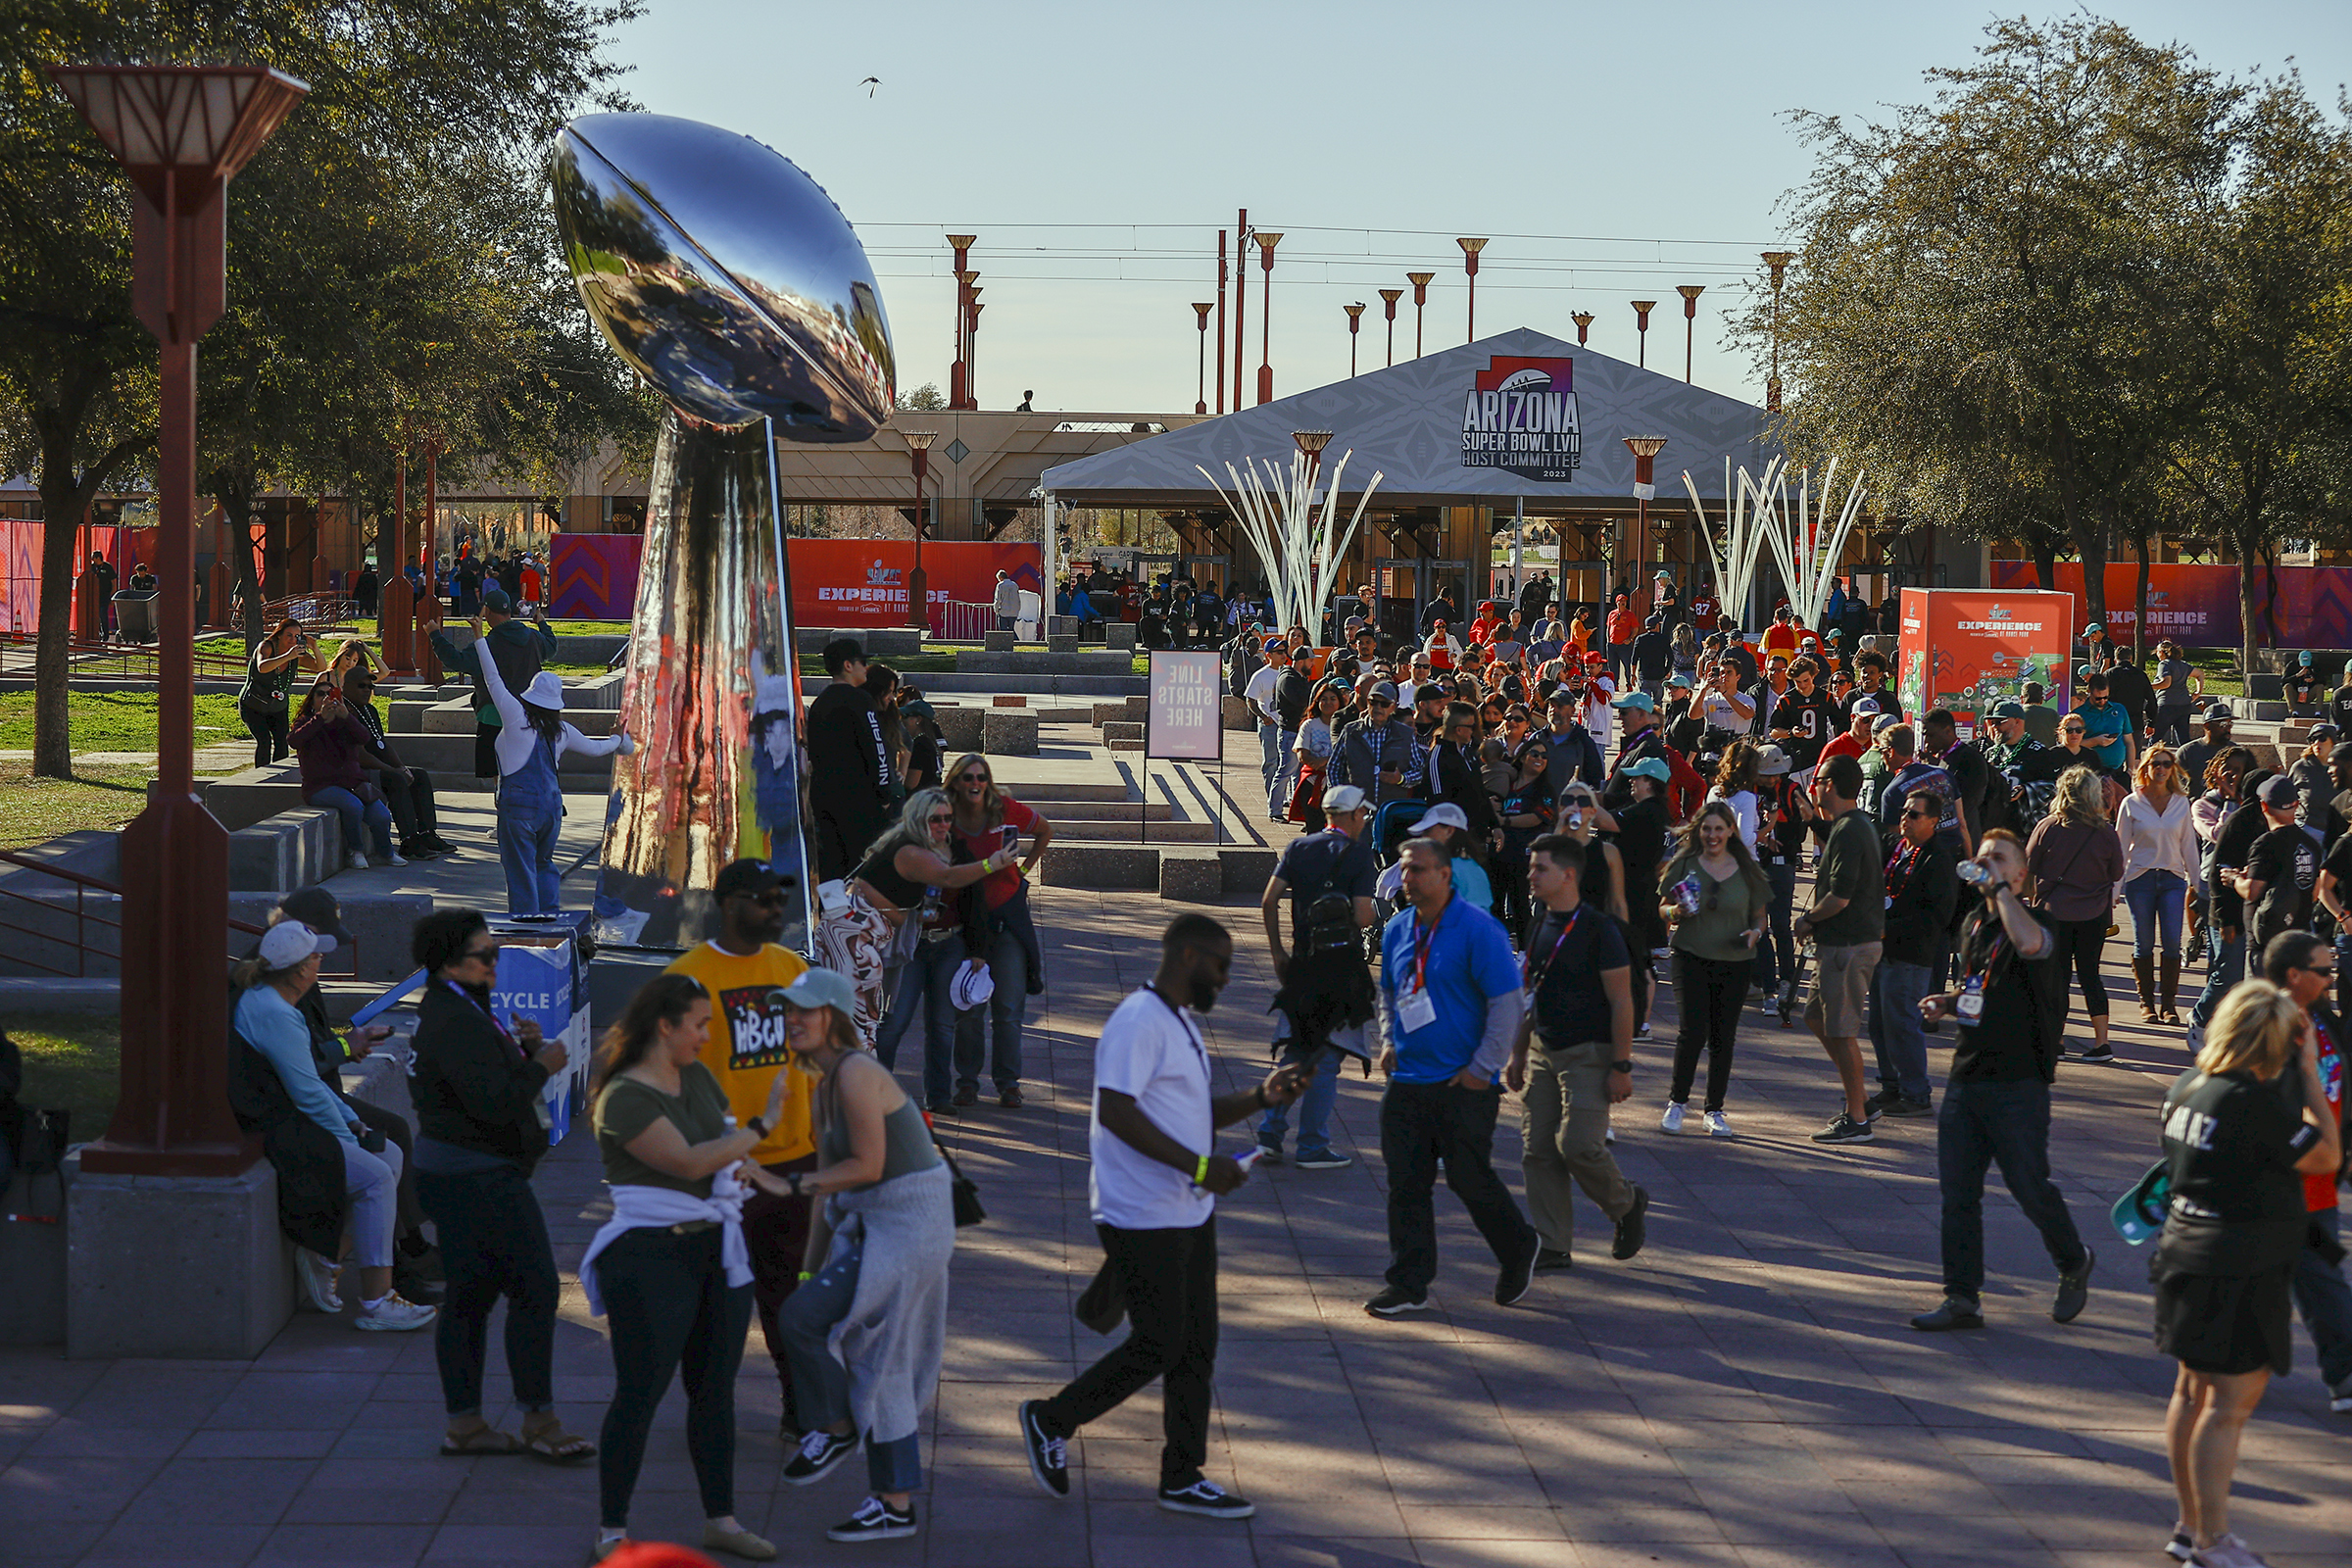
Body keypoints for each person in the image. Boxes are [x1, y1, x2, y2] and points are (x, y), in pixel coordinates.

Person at [1018, 915, 1305, 1520]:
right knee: (1160, 1342)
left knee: (1198, 1344)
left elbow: (1189, 1115)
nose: (1227, 980)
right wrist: (1202, 1169)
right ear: (1189, 956)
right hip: (1140, 1212)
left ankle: (1182, 1475)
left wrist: (1261, 1097)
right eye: (1221, 965)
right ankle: (1051, 1418)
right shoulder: (1138, 1020)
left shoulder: (1179, 1023)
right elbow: (1116, 1112)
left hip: (1185, 1209)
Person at [580, 974, 780, 1564]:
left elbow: (723, 1149)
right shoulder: (625, 1097)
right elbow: (691, 1162)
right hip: (649, 1257)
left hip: (715, 1251)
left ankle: (722, 1520)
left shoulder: (695, 1074)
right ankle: (612, 1531)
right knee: (640, 1394)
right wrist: (762, 1125)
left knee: (714, 1394)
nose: (707, 1035)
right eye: (699, 1025)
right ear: (664, 1027)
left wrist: (757, 1168)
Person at [2150, 981, 2339, 1568]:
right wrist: (2309, 1076)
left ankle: (2188, 1526)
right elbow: (2328, 1156)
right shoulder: (2253, 1102)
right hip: (2239, 1260)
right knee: (2229, 1403)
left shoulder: (2188, 1086)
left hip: (2184, 1250)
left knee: (2190, 1389)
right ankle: (2213, 1540)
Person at [769, 968, 954, 1544]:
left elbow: (865, 1168)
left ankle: (836, 1425)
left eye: (806, 1010)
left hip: (909, 1222)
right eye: (788, 1010)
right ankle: (893, 1505)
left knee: (801, 1320)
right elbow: (833, 1186)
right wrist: (809, 1266)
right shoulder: (825, 1083)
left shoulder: (853, 1073)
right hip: (880, 1222)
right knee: (884, 1364)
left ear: (837, 1019)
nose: (792, 1019)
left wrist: (786, 1188)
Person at [407, 908, 590, 1458]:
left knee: (470, 1297)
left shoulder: (461, 1007)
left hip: (464, 1173)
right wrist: (545, 1064)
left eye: (497, 954)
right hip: (478, 1178)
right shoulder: (452, 1020)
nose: (494, 964)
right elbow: (493, 1101)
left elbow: (482, 1079)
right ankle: (539, 1420)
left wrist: (524, 1052)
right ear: (448, 966)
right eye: (484, 957)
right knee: (534, 1288)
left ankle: (466, 1424)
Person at [662, 858, 830, 1434]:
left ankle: (801, 1410)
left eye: (780, 899)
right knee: (712, 1305)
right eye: (764, 899)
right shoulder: (686, 979)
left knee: (791, 1300)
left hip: (792, 1167)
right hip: (720, 1169)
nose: (776, 910)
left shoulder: (793, 969)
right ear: (729, 905)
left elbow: (815, 1064)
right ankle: (709, 1413)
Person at [1909, 828, 2096, 1334]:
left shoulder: (2039, 922)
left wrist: (2002, 894)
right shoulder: (1973, 924)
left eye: (2000, 859)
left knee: (2029, 1186)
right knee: (1958, 1194)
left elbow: (2031, 947)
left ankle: (2073, 1258)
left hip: (2019, 1082)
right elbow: (1980, 988)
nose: (1987, 863)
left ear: (2019, 873)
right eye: (1983, 857)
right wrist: (1950, 1003)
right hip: (1968, 1076)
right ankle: (1962, 1296)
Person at [1364, 838, 1542, 1316]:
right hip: (1407, 1082)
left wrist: (1482, 1070)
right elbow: (1389, 993)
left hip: (1463, 1085)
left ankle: (1518, 1246)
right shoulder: (1399, 928)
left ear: (1445, 875)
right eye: (1404, 870)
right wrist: (1387, 1040)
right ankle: (1408, 1283)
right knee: (1406, 1185)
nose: (1409, 879)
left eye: (1419, 870)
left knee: (1469, 1179)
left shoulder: (1479, 929)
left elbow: (1506, 1006)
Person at [233, 920, 436, 1333]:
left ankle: (327, 1257)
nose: (321, 960)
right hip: (275, 1127)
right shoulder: (275, 1014)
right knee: (378, 1174)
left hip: (285, 1117)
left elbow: (309, 1083)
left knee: (390, 1153)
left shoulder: (271, 1001)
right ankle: (377, 1302)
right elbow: (307, 1091)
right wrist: (349, 1136)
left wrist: (353, 1123)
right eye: (315, 956)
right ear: (299, 970)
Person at [1507, 833, 1645, 1269]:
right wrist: (1516, 1054)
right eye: (1531, 868)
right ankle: (1553, 1243)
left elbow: (1623, 1000)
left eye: (1539, 868)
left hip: (1590, 1052)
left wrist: (1622, 1066)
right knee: (1538, 1150)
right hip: (1542, 1051)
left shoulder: (1599, 929)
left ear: (1568, 875)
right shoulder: (1537, 924)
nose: (1531, 875)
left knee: (1579, 1145)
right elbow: (1530, 994)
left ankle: (1626, 1205)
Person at [862, 790, 1019, 1113]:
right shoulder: (908, 849)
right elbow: (946, 876)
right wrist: (992, 863)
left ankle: (939, 1096)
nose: (943, 825)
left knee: (942, 1025)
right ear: (919, 819)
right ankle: (874, 1096)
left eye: (948, 818)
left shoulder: (957, 849)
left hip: (949, 943)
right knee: (893, 1023)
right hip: (911, 946)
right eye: (936, 819)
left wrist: (977, 949)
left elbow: (974, 902)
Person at [469, 624, 635, 917]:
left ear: (530, 697)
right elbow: (597, 750)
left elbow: (492, 679)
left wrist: (479, 638)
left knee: (519, 867)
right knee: (543, 862)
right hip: (551, 807)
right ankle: (549, 915)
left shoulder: (515, 718)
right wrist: (617, 740)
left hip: (518, 805)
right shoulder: (562, 730)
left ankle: (526, 921)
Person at [1256, 785, 1377, 1170]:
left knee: (1296, 1048)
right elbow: (1361, 917)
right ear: (1351, 815)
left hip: (1302, 963)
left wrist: (1277, 951)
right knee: (1326, 1059)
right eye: (1362, 814)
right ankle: (1312, 1145)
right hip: (1340, 965)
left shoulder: (1298, 847)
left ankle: (1270, 1135)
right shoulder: (1359, 855)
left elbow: (1269, 899)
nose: (1364, 820)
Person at [2258, 932, 2352, 1419]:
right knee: (2312, 1280)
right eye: (2324, 970)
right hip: (2274, 1184)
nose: (2332, 977)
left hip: (2319, 1184)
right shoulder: (2262, 1026)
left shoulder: (2323, 1019)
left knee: (2319, 1281)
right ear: (2294, 974)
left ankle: (2343, 1375)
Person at [1656, 802, 1770, 1135]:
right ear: (1698, 831)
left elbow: (1760, 916)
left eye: (1719, 829)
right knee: (1692, 1031)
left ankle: (1714, 1110)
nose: (1712, 835)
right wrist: (1675, 914)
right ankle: (1677, 1103)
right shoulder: (1685, 863)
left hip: (1735, 961)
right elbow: (1661, 908)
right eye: (1707, 829)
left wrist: (1756, 933)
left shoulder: (1748, 869)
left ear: (1731, 831)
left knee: (1723, 1036)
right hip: (1690, 955)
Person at [947, 754, 1051, 1107]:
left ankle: (1008, 1084)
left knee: (1008, 1009)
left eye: (981, 778)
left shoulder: (1004, 809)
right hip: (965, 923)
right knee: (969, 1010)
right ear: (955, 783)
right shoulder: (946, 815)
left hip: (1006, 919)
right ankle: (967, 1082)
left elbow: (1044, 830)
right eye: (967, 778)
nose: (975, 784)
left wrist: (1022, 873)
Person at [1797, 753, 1886, 1144]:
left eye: (1817, 782)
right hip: (1839, 943)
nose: (1815, 788)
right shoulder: (1849, 825)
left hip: (1848, 944)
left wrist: (1808, 920)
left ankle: (1857, 1117)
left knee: (1843, 1030)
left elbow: (1841, 896)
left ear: (1829, 785)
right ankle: (1861, 1098)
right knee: (1816, 1018)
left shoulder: (1850, 830)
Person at [1869, 788, 1960, 1120]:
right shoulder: (1897, 848)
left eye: (1914, 815)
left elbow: (1935, 917)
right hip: (1883, 950)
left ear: (1933, 821)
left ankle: (1916, 1093)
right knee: (1879, 1024)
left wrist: (1887, 926)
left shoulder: (1938, 859)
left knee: (1903, 1025)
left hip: (1911, 955)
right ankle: (1892, 1085)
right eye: (1904, 812)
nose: (1904, 819)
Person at [427, 589, 558, 781]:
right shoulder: (533, 638)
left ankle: (503, 803)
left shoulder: (487, 644)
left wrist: (435, 635)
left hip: (493, 715)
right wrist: (542, 624)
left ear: (486, 612)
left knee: (497, 774)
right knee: (526, 768)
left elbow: (457, 661)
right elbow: (552, 647)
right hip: (530, 714)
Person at [2193, 758, 2273, 1049]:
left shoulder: (2275, 821)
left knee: (2245, 977)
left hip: (2257, 912)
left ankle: (2232, 1030)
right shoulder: (2235, 818)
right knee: (2226, 973)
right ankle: (2200, 1020)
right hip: (2223, 906)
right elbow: (2217, 868)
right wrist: (2224, 919)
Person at [2119, 744, 2198, 1026]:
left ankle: (2169, 1005)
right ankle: (2147, 1003)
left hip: (2173, 879)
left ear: (2173, 769)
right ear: (2146, 769)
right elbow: (2121, 848)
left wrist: (2197, 883)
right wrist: (2115, 889)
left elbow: (2189, 845)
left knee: (2173, 944)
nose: (2162, 769)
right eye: (2156, 764)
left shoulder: (2181, 802)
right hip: (2140, 878)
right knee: (2143, 944)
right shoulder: (2132, 803)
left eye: (2167, 764)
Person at [290, 673, 403, 871]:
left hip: (353, 784)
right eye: (320, 695)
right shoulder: (306, 722)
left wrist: (347, 717)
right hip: (320, 787)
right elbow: (294, 741)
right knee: (353, 807)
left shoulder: (345, 722)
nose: (326, 698)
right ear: (312, 701)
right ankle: (355, 851)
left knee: (382, 815)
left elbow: (364, 737)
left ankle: (386, 853)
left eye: (330, 694)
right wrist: (320, 719)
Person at [808, 639, 897, 881]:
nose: (865, 668)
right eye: (862, 662)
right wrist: (884, 794)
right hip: (861, 802)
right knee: (865, 870)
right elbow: (875, 748)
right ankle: (861, 916)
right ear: (848, 665)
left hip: (825, 798)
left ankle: (834, 916)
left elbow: (814, 753)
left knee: (834, 869)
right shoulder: (860, 700)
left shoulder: (819, 704)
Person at [343, 664, 450, 861]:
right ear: (347, 686)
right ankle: (408, 840)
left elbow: (382, 744)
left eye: (370, 687)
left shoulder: (369, 710)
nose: (367, 690)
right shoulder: (344, 712)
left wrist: (401, 766)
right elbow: (360, 755)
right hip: (356, 772)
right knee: (395, 779)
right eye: (361, 686)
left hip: (378, 767)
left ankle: (427, 833)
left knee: (418, 776)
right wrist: (392, 770)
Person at [2232, 773, 2320, 979]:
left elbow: (2252, 891)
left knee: (2263, 1005)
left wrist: (2234, 878)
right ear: (2296, 805)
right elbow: (2314, 892)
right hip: (2299, 938)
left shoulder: (2266, 843)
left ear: (2264, 806)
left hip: (2266, 942)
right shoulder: (2311, 844)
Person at [238, 616, 322, 766]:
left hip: (278, 706)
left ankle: (279, 774)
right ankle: (261, 775)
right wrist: (287, 656)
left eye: (297, 636)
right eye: (289, 635)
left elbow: (320, 668)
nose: (292, 640)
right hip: (253, 704)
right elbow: (262, 667)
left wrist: (315, 647)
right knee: (264, 741)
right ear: (279, 634)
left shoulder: (298, 654)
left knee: (282, 741)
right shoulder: (267, 646)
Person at [1327, 680, 1419, 811]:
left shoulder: (1405, 734)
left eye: (1384, 704)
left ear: (1393, 707)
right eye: (1373, 702)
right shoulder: (1351, 731)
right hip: (1355, 811)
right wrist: (1341, 798)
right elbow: (1334, 768)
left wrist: (1401, 779)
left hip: (1390, 812)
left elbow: (1419, 770)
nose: (1378, 707)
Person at [2075, 670, 2136, 780]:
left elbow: (2129, 741)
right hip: (2090, 772)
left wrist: (2130, 770)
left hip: (2117, 771)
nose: (2102, 701)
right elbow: (2070, 745)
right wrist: (2094, 742)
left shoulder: (2119, 709)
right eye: (2098, 698)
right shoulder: (2079, 714)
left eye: (2106, 697)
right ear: (2089, 692)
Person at [2153, 640, 2199, 745]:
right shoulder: (2183, 664)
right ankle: (2186, 759)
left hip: (2167, 704)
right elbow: (2200, 674)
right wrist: (2198, 692)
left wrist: (2148, 686)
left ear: (2161, 652)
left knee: (2156, 737)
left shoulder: (2164, 664)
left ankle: (2150, 759)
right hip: (2184, 705)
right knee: (2184, 739)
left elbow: (2166, 683)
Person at [992, 568, 1023, 634]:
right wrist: (1018, 609)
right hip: (1014, 612)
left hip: (1004, 612)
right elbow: (1018, 599)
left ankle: (1009, 642)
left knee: (1003, 631)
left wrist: (996, 610)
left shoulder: (1000, 585)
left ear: (1000, 578)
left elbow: (997, 599)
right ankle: (1016, 642)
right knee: (1011, 630)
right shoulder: (1015, 585)